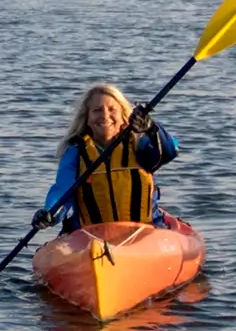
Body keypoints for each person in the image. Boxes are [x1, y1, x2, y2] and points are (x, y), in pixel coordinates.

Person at [41, 83, 178, 232]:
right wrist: (50, 213)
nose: (105, 115)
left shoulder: (140, 144)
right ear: (86, 118)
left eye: (112, 109)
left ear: (123, 116)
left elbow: (169, 151)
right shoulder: (76, 152)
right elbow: (63, 190)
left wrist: (151, 128)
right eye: (97, 110)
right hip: (91, 235)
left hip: (143, 232)